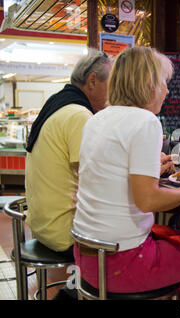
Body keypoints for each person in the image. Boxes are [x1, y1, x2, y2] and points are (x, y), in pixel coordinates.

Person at [72, 46, 180, 300]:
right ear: (146, 83)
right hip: (123, 264)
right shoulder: (144, 121)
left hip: (87, 258)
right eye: (162, 83)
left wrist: (150, 168)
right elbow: (148, 201)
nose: (167, 91)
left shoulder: (97, 119)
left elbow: (111, 175)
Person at [24, 50, 112, 300]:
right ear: (93, 80)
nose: (115, 91)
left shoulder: (60, 103)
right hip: (63, 230)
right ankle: (82, 293)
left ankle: (75, 291)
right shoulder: (78, 114)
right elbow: (92, 179)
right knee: (127, 238)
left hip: (41, 223)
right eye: (112, 83)